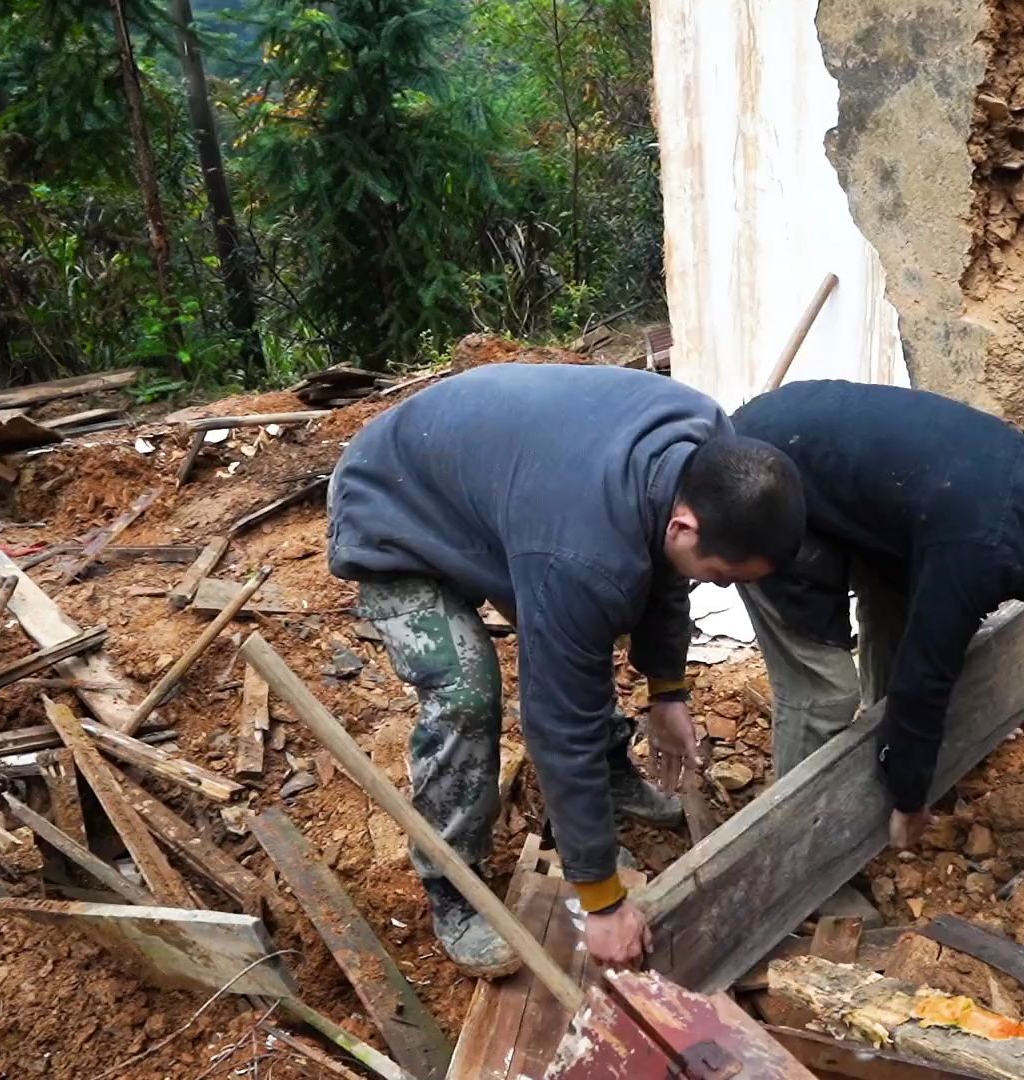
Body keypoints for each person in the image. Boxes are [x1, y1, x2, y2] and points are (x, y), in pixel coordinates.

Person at [327, 363, 805, 976]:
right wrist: (601, 901)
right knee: (467, 692)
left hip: (503, 496)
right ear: (685, 525)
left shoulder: (706, 446)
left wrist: (667, 694)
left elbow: (665, 572)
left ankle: (608, 772)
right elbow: (555, 720)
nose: (719, 588)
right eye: (721, 576)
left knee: (588, 610)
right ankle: (453, 889)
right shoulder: (580, 555)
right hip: (394, 503)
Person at [732, 380, 1024, 848]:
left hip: (817, 452)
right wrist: (911, 799)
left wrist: (903, 760)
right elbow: (926, 677)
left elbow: (923, 647)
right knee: (824, 690)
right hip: (757, 484)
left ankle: (876, 767)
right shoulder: (985, 547)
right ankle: (797, 851)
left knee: (902, 611)